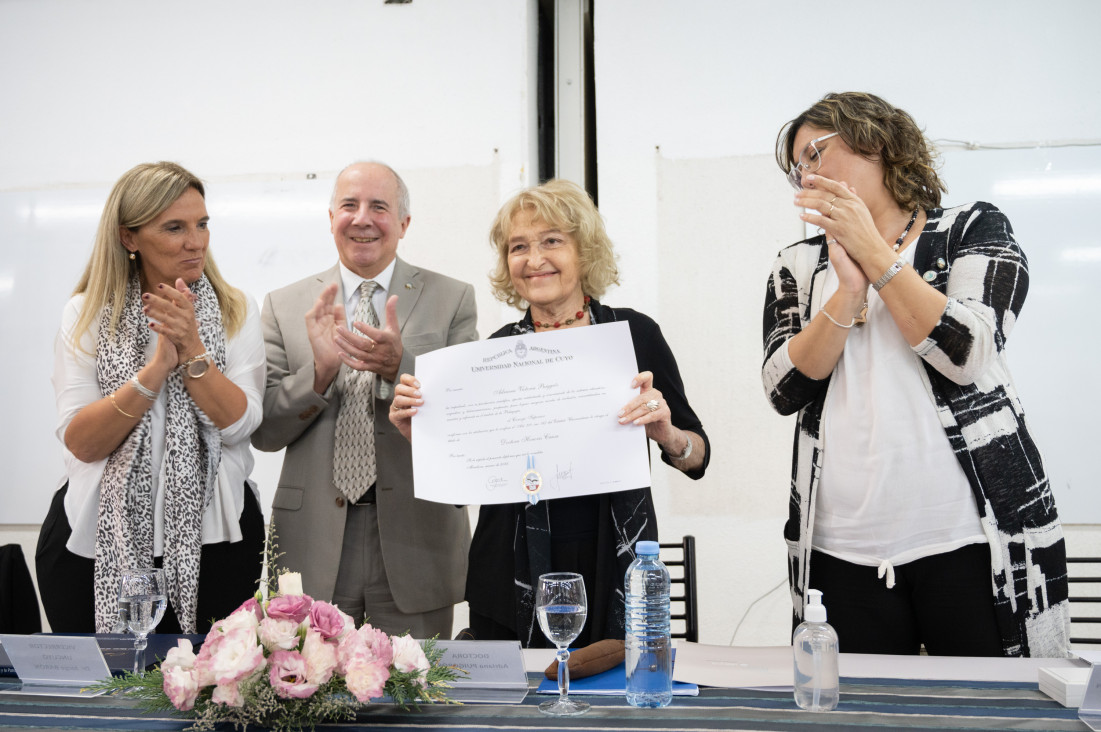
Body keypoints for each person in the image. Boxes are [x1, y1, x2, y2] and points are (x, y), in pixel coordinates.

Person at [764, 92, 1069, 657]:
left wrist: (873, 256)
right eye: (796, 168)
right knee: (856, 716)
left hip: (974, 538)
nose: (805, 175)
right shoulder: (799, 263)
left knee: (993, 713)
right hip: (839, 547)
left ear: (874, 142)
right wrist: (847, 289)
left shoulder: (971, 229)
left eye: (815, 153)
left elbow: (968, 352)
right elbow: (784, 388)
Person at [390, 179, 709, 647]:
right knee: (515, 713)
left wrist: (666, 433)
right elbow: (468, 484)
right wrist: (422, 440)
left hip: (608, 560)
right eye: (518, 247)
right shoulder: (493, 352)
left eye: (552, 241)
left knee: (610, 708)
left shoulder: (633, 334)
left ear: (585, 251)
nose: (534, 259)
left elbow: (697, 458)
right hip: (508, 568)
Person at [251, 161, 476, 639]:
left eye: (379, 206)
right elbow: (265, 432)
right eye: (349, 206)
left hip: (417, 535)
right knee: (310, 698)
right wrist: (321, 373)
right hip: (312, 534)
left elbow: (468, 419)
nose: (362, 218)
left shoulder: (452, 298)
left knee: (417, 696)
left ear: (404, 224)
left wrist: (401, 368)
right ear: (330, 216)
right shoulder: (283, 305)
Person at [39, 161, 266, 635]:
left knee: (206, 699)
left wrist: (192, 348)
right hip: (94, 543)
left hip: (216, 546)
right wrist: (156, 370)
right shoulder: (84, 313)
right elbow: (82, 441)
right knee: (105, 700)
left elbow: (242, 424)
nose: (195, 241)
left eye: (202, 224)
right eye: (175, 227)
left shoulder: (234, 309)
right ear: (129, 238)